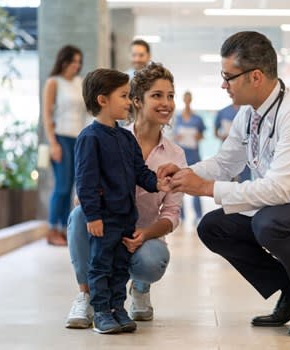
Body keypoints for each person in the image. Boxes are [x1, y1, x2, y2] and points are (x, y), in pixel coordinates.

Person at [158, 31, 290, 337]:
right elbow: (225, 163)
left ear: (256, 76)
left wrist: (206, 188)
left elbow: (277, 189)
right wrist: (183, 172)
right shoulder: (249, 114)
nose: (223, 85)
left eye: (228, 76)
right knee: (213, 226)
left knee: (268, 222)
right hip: (288, 211)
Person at [66, 63, 186, 331]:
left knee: (120, 268)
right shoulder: (91, 137)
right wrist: (94, 213)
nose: (166, 103)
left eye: (170, 95)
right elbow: (84, 181)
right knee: (97, 256)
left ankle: (121, 305)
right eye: (157, 95)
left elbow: (143, 176)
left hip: (133, 225)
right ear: (136, 100)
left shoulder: (160, 150)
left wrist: (160, 184)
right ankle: (95, 305)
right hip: (104, 221)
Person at [42, 45, 87, 246]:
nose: (76, 65)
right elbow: (46, 115)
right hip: (60, 137)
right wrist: (53, 143)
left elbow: (87, 111)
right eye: (73, 61)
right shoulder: (54, 82)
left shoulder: (80, 82)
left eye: (79, 62)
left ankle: (64, 230)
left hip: (79, 139)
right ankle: (52, 229)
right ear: (64, 61)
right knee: (62, 186)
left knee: (75, 187)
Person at [173, 91, 206, 223]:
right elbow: (172, 135)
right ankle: (181, 216)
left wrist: (198, 136)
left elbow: (202, 135)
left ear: (191, 100)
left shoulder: (198, 119)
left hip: (194, 154)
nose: (187, 101)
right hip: (181, 155)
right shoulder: (177, 118)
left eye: (189, 98)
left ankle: (198, 215)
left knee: (195, 185)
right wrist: (177, 137)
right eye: (185, 98)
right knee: (179, 186)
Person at [214, 103, 251, 182]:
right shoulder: (223, 112)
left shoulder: (249, 111)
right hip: (227, 153)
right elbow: (215, 132)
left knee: (244, 184)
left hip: (245, 154)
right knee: (224, 182)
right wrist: (222, 136)